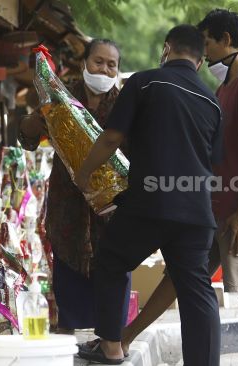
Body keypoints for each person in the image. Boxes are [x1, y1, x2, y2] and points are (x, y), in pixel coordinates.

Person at [117, 10, 238, 366]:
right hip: (212, 207)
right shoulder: (223, 89)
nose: (203, 52)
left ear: (225, 40)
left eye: (206, 41)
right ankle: (125, 338)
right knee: (179, 275)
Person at [75, 25, 222, 365]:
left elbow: (112, 138)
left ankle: (111, 346)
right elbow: (213, 161)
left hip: (150, 203)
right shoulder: (212, 102)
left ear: (167, 48)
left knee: (112, 261)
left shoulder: (145, 81)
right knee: (196, 291)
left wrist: (84, 172)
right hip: (196, 212)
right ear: (199, 62)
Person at [18, 39, 131, 334]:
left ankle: (110, 341)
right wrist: (34, 122)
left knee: (112, 272)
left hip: (111, 209)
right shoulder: (60, 94)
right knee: (68, 272)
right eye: (98, 62)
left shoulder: (126, 102)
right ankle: (71, 342)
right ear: (84, 63)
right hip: (66, 204)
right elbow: (29, 138)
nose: (104, 70)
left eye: (111, 65)